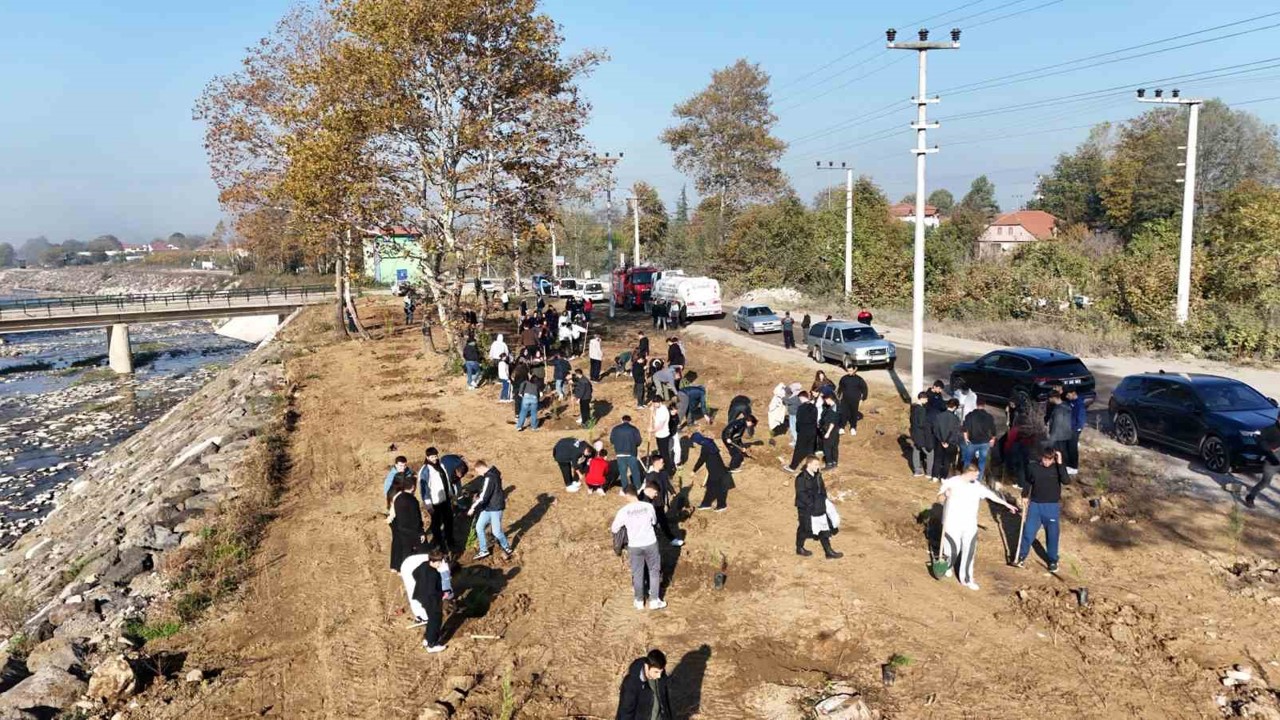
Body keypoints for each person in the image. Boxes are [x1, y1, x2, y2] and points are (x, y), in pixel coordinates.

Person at [938, 462, 1019, 590]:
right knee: (953, 550)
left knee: (969, 551)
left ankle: (967, 579)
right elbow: (940, 499)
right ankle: (947, 565)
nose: (977, 478)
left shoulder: (977, 486)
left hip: (970, 524)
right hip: (952, 522)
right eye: (975, 475)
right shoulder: (952, 482)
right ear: (968, 473)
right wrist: (945, 495)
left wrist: (1006, 504)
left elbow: (992, 496)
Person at [1015, 448, 1070, 572]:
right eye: (1045, 459)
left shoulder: (1057, 468)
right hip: (1035, 506)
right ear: (1042, 457)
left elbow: (1066, 481)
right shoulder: (1033, 467)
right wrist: (1024, 495)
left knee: (1052, 535)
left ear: (1053, 459)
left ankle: (1052, 560)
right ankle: (1021, 556)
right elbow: (1028, 482)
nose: (1047, 462)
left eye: (1050, 459)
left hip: (1051, 506)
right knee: (1028, 532)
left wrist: (1060, 462)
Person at [611, 487, 665, 611]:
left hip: (634, 545)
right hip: (650, 542)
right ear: (636, 493)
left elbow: (614, 528)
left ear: (626, 495)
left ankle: (639, 601)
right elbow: (654, 521)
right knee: (654, 571)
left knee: (637, 573)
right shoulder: (648, 506)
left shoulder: (623, 511)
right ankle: (654, 601)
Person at [399, 548, 449, 653]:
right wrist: (443, 594)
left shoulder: (423, 565)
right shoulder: (433, 574)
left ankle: (427, 638)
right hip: (431, 599)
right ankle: (432, 644)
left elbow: (414, 573)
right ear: (432, 561)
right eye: (438, 563)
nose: (440, 565)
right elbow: (432, 591)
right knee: (435, 620)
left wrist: (422, 584)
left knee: (431, 618)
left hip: (421, 596)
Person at [795, 455, 842, 559]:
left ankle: (828, 552)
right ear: (809, 464)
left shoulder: (817, 476)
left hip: (819, 506)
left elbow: (822, 489)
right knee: (804, 529)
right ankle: (799, 548)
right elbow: (801, 495)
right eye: (816, 464)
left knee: (823, 528)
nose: (818, 466)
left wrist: (823, 500)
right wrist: (812, 505)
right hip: (806, 509)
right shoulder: (801, 478)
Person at [467, 461, 513, 560]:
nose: (478, 474)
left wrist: (473, 507)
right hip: (488, 507)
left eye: (478, 471)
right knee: (479, 527)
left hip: (495, 508)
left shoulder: (489, 478)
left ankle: (506, 547)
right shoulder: (494, 473)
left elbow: (484, 496)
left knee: (496, 532)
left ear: (480, 468)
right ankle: (483, 550)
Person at [615, 650, 675, 719]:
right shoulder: (631, 684)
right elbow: (625, 713)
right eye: (656, 672)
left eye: (661, 672)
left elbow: (665, 703)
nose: (659, 676)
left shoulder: (660, 676)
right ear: (646, 667)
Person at [418, 448, 456, 554]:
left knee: (449, 520)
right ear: (427, 457)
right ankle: (439, 544)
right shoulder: (425, 470)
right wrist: (428, 504)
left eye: (435, 456)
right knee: (436, 524)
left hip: (445, 499)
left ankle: (450, 541)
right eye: (432, 457)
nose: (434, 459)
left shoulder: (441, 466)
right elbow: (424, 489)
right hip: (435, 502)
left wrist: (450, 493)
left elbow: (446, 481)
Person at [642, 455, 683, 545]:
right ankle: (672, 539)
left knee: (658, 520)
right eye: (662, 462)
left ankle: (656, 526)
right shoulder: (651, 476)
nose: (663, 464)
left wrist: (673, 492)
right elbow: (648, 490)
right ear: (656, 463)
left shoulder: (663, 473)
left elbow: (667, 484)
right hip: (654, 503)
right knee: (662, 520)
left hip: (661, 501)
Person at [387, 473, 423, 572]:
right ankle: (400, 567)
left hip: (396, 521)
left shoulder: (394, 493)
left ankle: (395, 566)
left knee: (397, 544)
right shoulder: (402, 496)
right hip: (399, 522)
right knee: (403, 546)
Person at [1244, 415, 1280, 509]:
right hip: (1272, 461)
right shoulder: (1270, 429)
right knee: (1265, 482)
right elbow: (1259, 439)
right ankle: (1250, 497)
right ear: (1278, 419)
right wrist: (1268, 449)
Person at [691, 432, 731, 511]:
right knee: (711, 487)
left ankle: (721, 505)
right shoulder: (709, 442)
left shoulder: (705, 447)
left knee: (717, 488)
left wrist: (694, 470)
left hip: (715, 471)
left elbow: (701, 459)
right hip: (717, 468)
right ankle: (706, 504)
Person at [961, 398, 998, 484]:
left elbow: (965, 428)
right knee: (982, 461)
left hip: (972, 441)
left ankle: (966, 477)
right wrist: (992, 439)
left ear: (976, 404)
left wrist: (966, 438)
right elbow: (993, 430)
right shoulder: (989, 416)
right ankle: (979, 479)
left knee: (967, 460)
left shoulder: (970, 415)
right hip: (985, 442)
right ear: (984, 405)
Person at [611, 416, 644, 494]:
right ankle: (638, 488)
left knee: (623, 473)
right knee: (635, 471)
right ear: (630, 421)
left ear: (621, 420)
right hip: (631, 453)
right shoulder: (634, 429)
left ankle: (625, 489)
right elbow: (638, 441)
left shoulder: (615, 429)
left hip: (620, 454)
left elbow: (612, 440)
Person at [786, 392, 818, 472]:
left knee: (798, 450)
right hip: (813, 431)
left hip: (803, 431)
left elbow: (799, 421)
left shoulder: (801, 408)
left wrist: (798, 430)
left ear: (801, 397)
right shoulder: (814, 407)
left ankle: (792, 467)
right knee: (810, 450)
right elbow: (815, 420)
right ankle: (812, 468)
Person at [931, 399, 962, 482]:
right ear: (955, 407)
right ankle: (943, 477)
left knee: (937, 458)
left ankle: (934, 476)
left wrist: (941, 440)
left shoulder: (939, 416)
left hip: (939, 441)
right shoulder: (956, 419)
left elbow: (935, 429)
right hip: (950, 442)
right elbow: (955, 432)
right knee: (947, 460)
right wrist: (947, 441)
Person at [837, 365, 868, 435]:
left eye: (851, 370)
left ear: (854, 370)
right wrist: (838, 396)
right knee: (843, 413)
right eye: (848, 371)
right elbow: (840, 388)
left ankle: (853, 427)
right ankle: (842, 427)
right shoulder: (844, 378)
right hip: (844, 400)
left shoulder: (859, 379)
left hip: (855, 401)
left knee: (854, 414)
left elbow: (865, 389)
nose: (849, 372)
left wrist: (862, 399)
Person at [909, 392, 934, 478]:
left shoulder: (914, 408)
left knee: (916, 450)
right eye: (926, 399)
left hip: (914, 433)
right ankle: (929, 473)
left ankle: (917, 470)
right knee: (930, 452)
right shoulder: (922, 409)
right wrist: (929, 426)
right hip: (921, 435)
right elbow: (921, 423)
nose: (927, 400)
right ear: (922, 398)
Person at [1046, 391, 1072, 463]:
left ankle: (1061, 470)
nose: (1048, 400)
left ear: (1054, 398)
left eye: (1049, 398)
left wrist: (1051, 442)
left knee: (1059, 456)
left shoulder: (1058, 410)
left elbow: (1056, 426)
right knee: (1064, 455)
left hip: (1059, 437)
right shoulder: (1066, 405)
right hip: (1066, 435)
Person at [1065, 388, 1086, 475]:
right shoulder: (1071, 402)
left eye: (1068, 395)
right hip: (1069, 429)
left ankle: (1074, 467)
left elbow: (1081, 419)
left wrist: (1077, 429)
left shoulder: (1079, 404)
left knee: (1073, 448)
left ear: (1073, 393)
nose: (1067, 397)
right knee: (1069, 447)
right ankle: (1069, 465)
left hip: (1075, 429)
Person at [819, 396, 841, 470]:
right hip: (835, 431)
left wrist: (828, 432)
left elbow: (832, 422)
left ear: (829, 399)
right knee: (834, 447)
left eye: (825, 400)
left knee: (827, 447)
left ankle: (829, 463)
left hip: (830, 430)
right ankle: (835, 462)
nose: (825, 401)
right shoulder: (836, 406)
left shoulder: (833, 409)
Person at [650, 399, 672, 468]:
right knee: (661, 452)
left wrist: (652, 430)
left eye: (655, 403)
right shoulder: (658, 408)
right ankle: (663, 466)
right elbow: (656, 419)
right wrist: (652, 411)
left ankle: (669, 470)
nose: (654, 405)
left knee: (664, 454)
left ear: (659, 402)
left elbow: (661, 426)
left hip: (663, 436)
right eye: (653, 403)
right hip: (658, 435)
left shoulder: (663, 411)